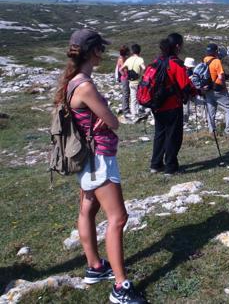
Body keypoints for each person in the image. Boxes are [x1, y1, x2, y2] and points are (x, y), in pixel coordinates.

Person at [54, 29, 146, 304]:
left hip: (88, 159)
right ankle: (121, 286)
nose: (103, 54)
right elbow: (113, 121)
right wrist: (107, 117)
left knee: (88, 209)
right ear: (94, 52)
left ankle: (95, 267)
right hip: (99, 158)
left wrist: (102, 117)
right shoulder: (85, 86)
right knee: (118, 219)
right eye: (101, 50)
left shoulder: (73, 81)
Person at [150, 33, 196, 176]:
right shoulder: (176, 63)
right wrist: (197, 91)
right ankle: (171, 167)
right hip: (172, 106)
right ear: (177, 46)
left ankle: (156, 164)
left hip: (156, 105)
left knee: (160, 134)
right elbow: (185, 86)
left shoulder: (157, 61)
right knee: (173, 136)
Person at [203, 44, 229, 134]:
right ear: (216, 51)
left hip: (208, 89)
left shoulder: (205, 60)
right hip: (218, 89)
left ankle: (212, 131)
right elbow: (220, 76)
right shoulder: (216, 61)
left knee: (211, 111)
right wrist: (224, 87)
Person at [121, 44, 145, 120]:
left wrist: (126, 75)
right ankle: (137, 112)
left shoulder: (129, 60)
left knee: (133, 98)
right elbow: (144, 68)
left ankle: (134, 114)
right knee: (140, 97)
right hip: (139, 82)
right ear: (139, 51)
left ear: (132, 51)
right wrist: (141, 74)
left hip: (131, 82)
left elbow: (120, 69)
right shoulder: (140, 59)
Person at [115, 45, 130, 116]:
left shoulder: (122, 58)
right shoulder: (122, 59)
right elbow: (121, 69)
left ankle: (126, 108)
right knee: (126, 94)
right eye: (128, 51)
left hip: (124, 77)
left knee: (126, 93)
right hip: (124, 78)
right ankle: (125, 110)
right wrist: (125, 75)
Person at [183, 57, 196, 124]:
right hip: (184, 93)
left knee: (187, 109)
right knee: (186, 110)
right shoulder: (183, 71)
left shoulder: (190, 71)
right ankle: (184, 122)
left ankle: (185, 122)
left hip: (189, 92)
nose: (191, 68)